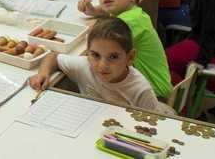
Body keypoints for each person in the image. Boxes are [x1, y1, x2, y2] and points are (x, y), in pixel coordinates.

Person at [29, 17, 168, 112]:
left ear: (130, 57)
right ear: (87, 53)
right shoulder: (84, 66)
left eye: (113, 57)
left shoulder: (140, 89)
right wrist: (43, 73)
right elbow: (53, 57)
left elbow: (154, 122)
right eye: (95, 55)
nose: (102, 65)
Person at [77, 0, 172, 99]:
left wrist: (95, 23)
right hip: (150, 85)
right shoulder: (134, 13)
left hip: (152, 92)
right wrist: (93, 10)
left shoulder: (130, 21)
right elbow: (110, 12)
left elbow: (97, 37)